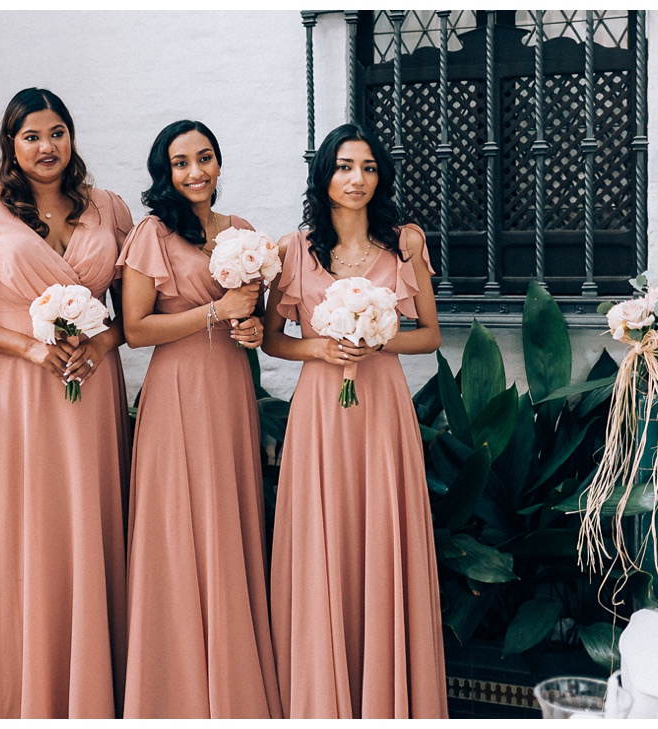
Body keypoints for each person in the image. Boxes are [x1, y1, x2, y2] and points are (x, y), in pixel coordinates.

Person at [0, 87, 132, 718]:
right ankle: (24, 685)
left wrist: (101, 344)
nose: (46, 147)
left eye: (56, 133)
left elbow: (135, 308)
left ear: (71, 137)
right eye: (31, 136)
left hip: (91, 384)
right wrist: (27, 349)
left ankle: (92, 686)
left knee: (87, 516)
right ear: (11, 145)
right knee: (28, 528)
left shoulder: (109, 208)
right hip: (15, 390)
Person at [261, 123, 447, 718]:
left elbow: (431, 337)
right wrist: (317, 348)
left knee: (379, 530)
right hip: (319, 409)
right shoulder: (296, 248)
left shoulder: (405, 244)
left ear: (379, 178)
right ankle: (321, 693)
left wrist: (379, 338)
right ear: (324, 175)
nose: (357, 179)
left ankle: (386, 696)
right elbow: (271, 340)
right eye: (344, 167)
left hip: (383, 407)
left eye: (367, 168)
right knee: (325, 531)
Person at [117, 119, 280, 718]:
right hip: (178, 389)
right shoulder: (151, 234)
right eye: (181, 161)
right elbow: (135, 330)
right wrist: (215, 310)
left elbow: (255, 324)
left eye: (204, 157)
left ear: (219, 163)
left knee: (228, 520)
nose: (195, 171)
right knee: (179, 523)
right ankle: (175, 685)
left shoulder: (240, 232)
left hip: (231, 388)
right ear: (166, 171)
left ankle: (234, 677)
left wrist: (252, 325)